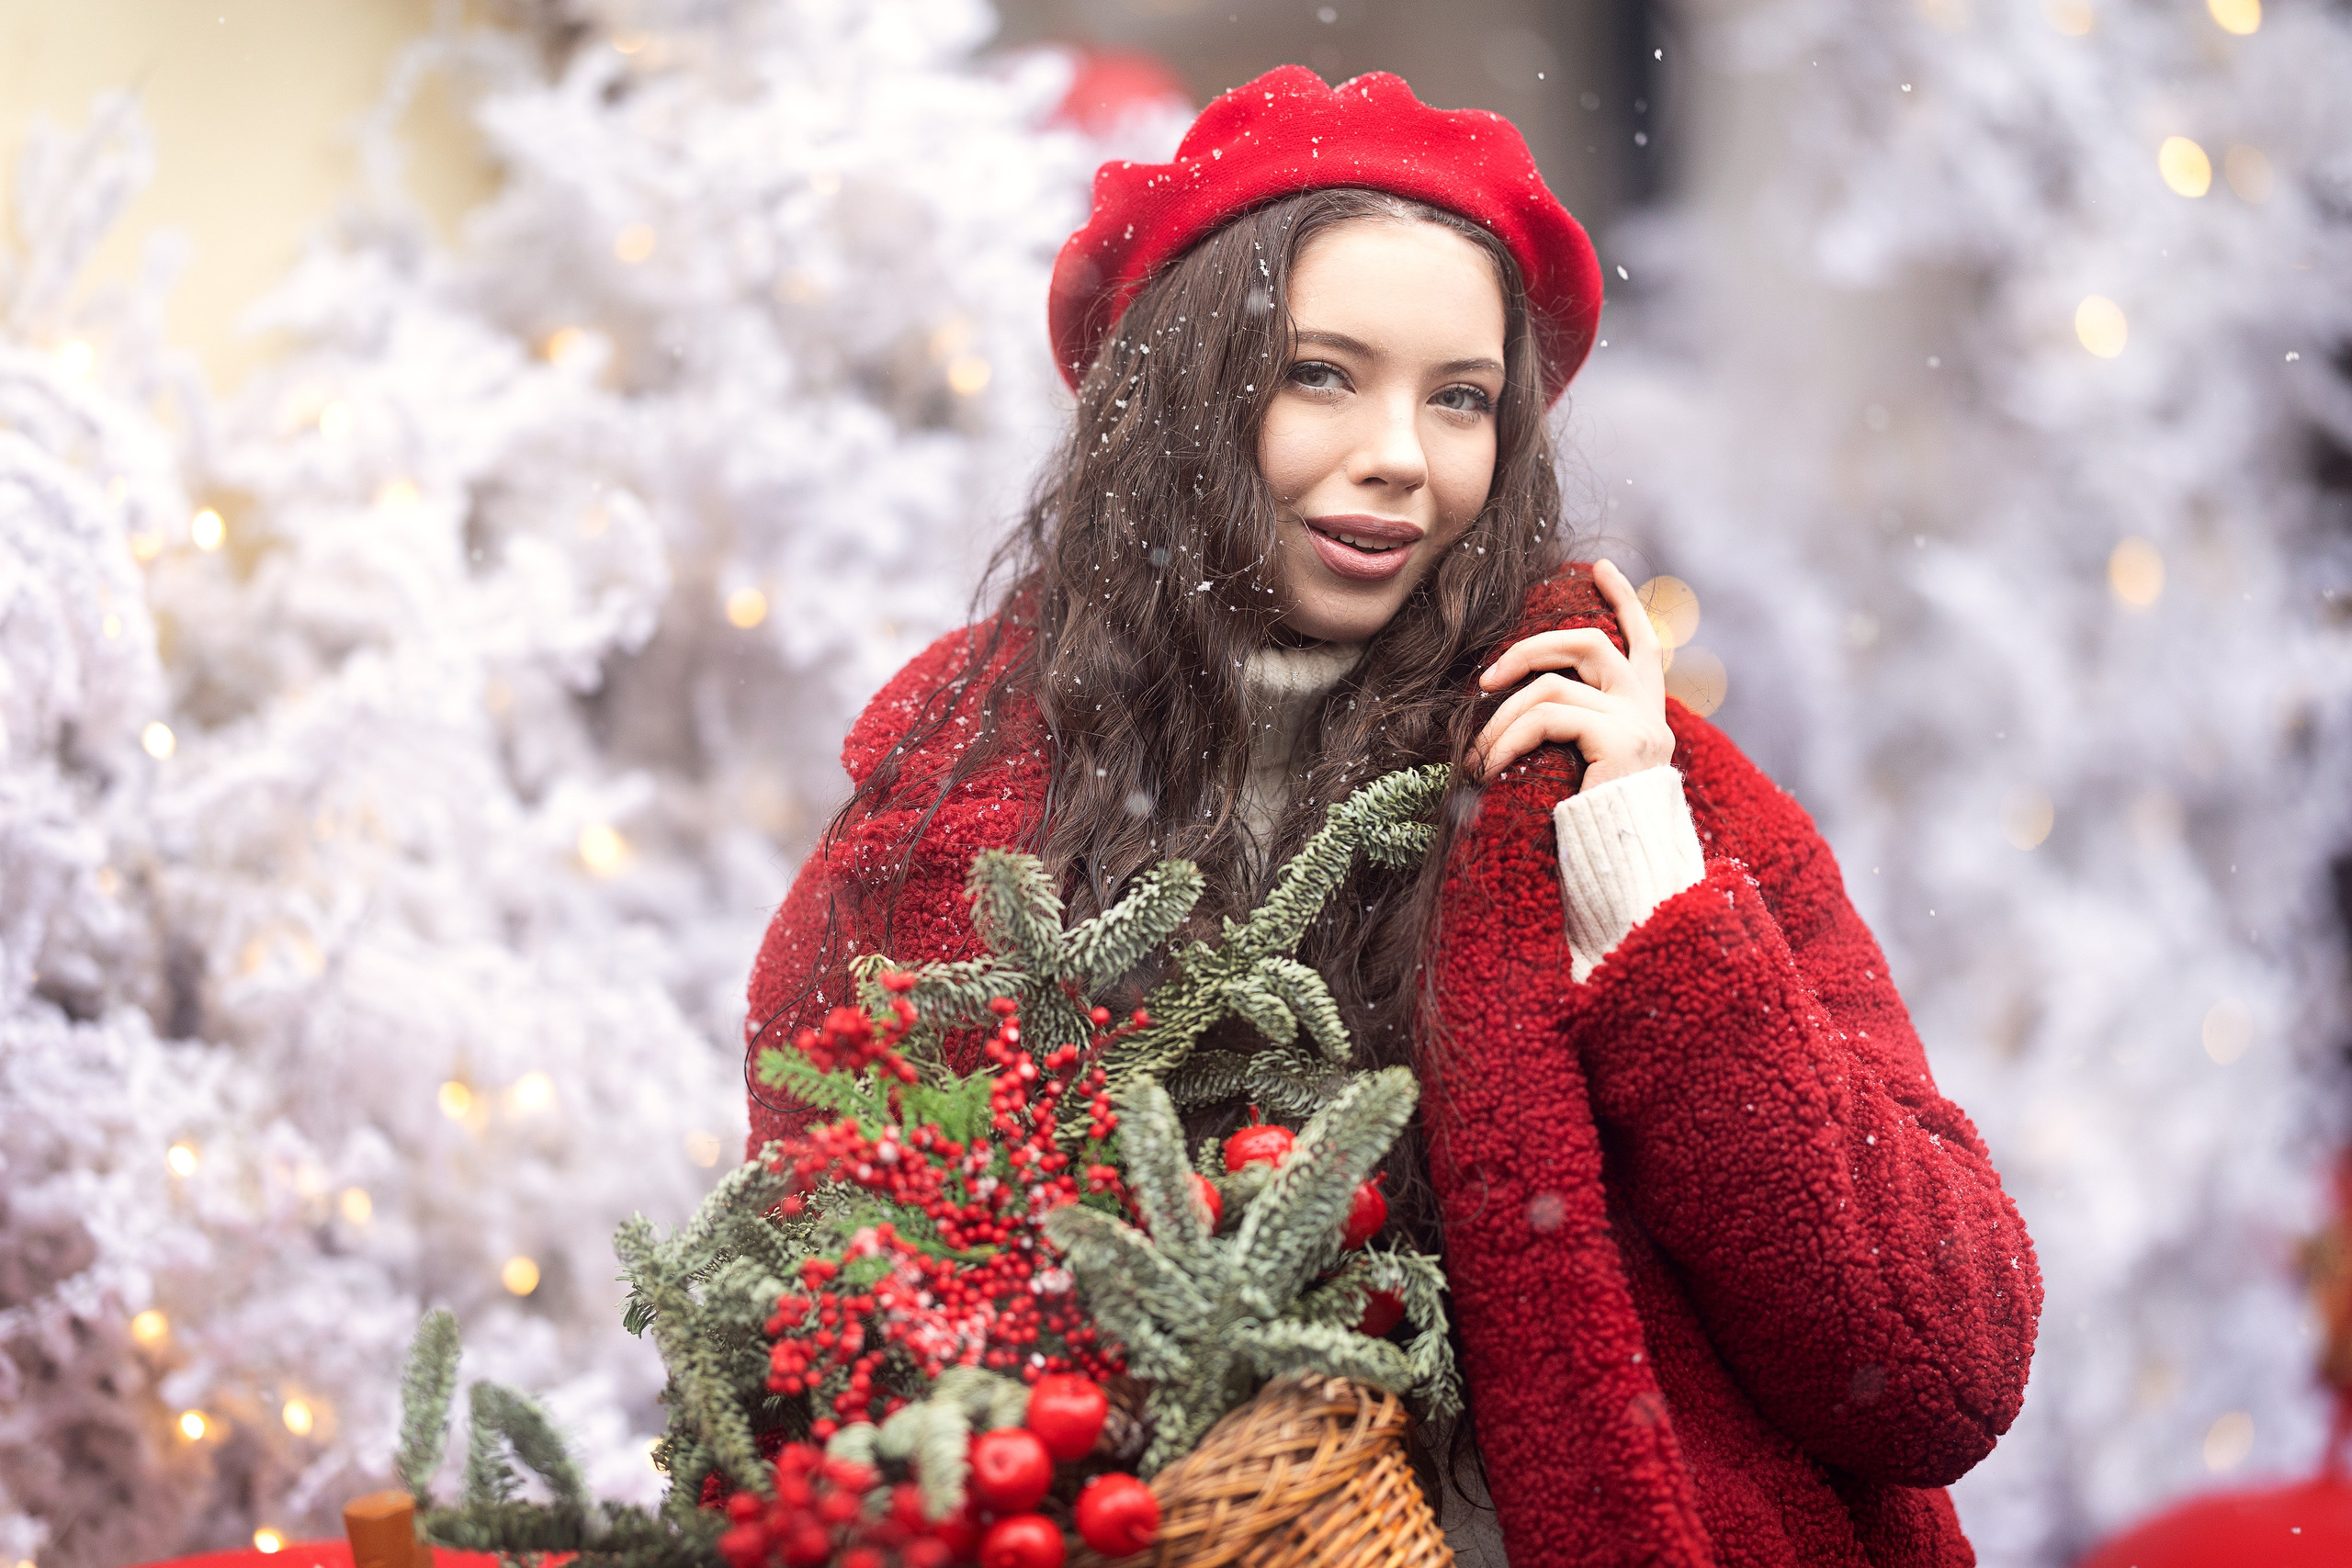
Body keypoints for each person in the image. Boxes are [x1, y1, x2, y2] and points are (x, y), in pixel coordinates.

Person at [745, 65, 2040, 1568]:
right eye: (1321, 375)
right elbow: (828, 1331)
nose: (1403, 457)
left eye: (1461, 399)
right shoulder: (956, 814)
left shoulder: (1618, 772)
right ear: (1179, 392)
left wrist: (1647, 898)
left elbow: (1933, 1365)